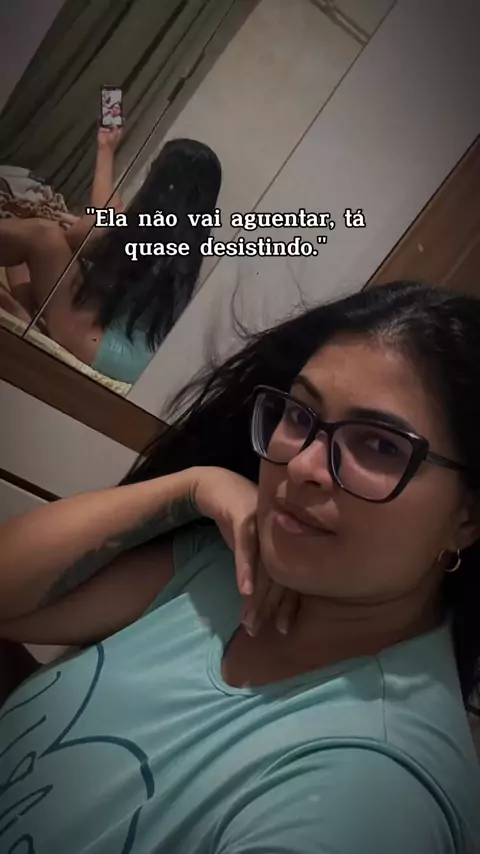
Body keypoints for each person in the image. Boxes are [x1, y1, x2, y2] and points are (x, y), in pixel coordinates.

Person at [1, 279, 480, 853]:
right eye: (300, 414)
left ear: (468, 517)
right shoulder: (227, 571)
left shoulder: (372, 790)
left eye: (380, 446)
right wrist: (190, 487)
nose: (302, 466)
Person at [0, 137, 222, 383]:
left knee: (43, 236)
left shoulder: (144, 229)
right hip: (133, 359)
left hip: (107, 347)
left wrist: (89, 228)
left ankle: (26, 321)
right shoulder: (184, 245)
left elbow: (76, 235)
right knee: (29, 258)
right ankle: (26, 320)